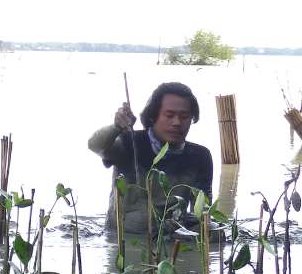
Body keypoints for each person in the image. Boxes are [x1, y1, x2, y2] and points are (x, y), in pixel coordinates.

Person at [88, 82, 213, 234]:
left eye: (184, 116)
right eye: (169, 115)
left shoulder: (200, 156)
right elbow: (95, 145)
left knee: (213, 232)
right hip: (123, 236)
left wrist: (204, 229)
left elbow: (203, 210)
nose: (177, 122)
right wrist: (116, 127)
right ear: (153, 116)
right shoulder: (129, 142)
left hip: (170, 235)